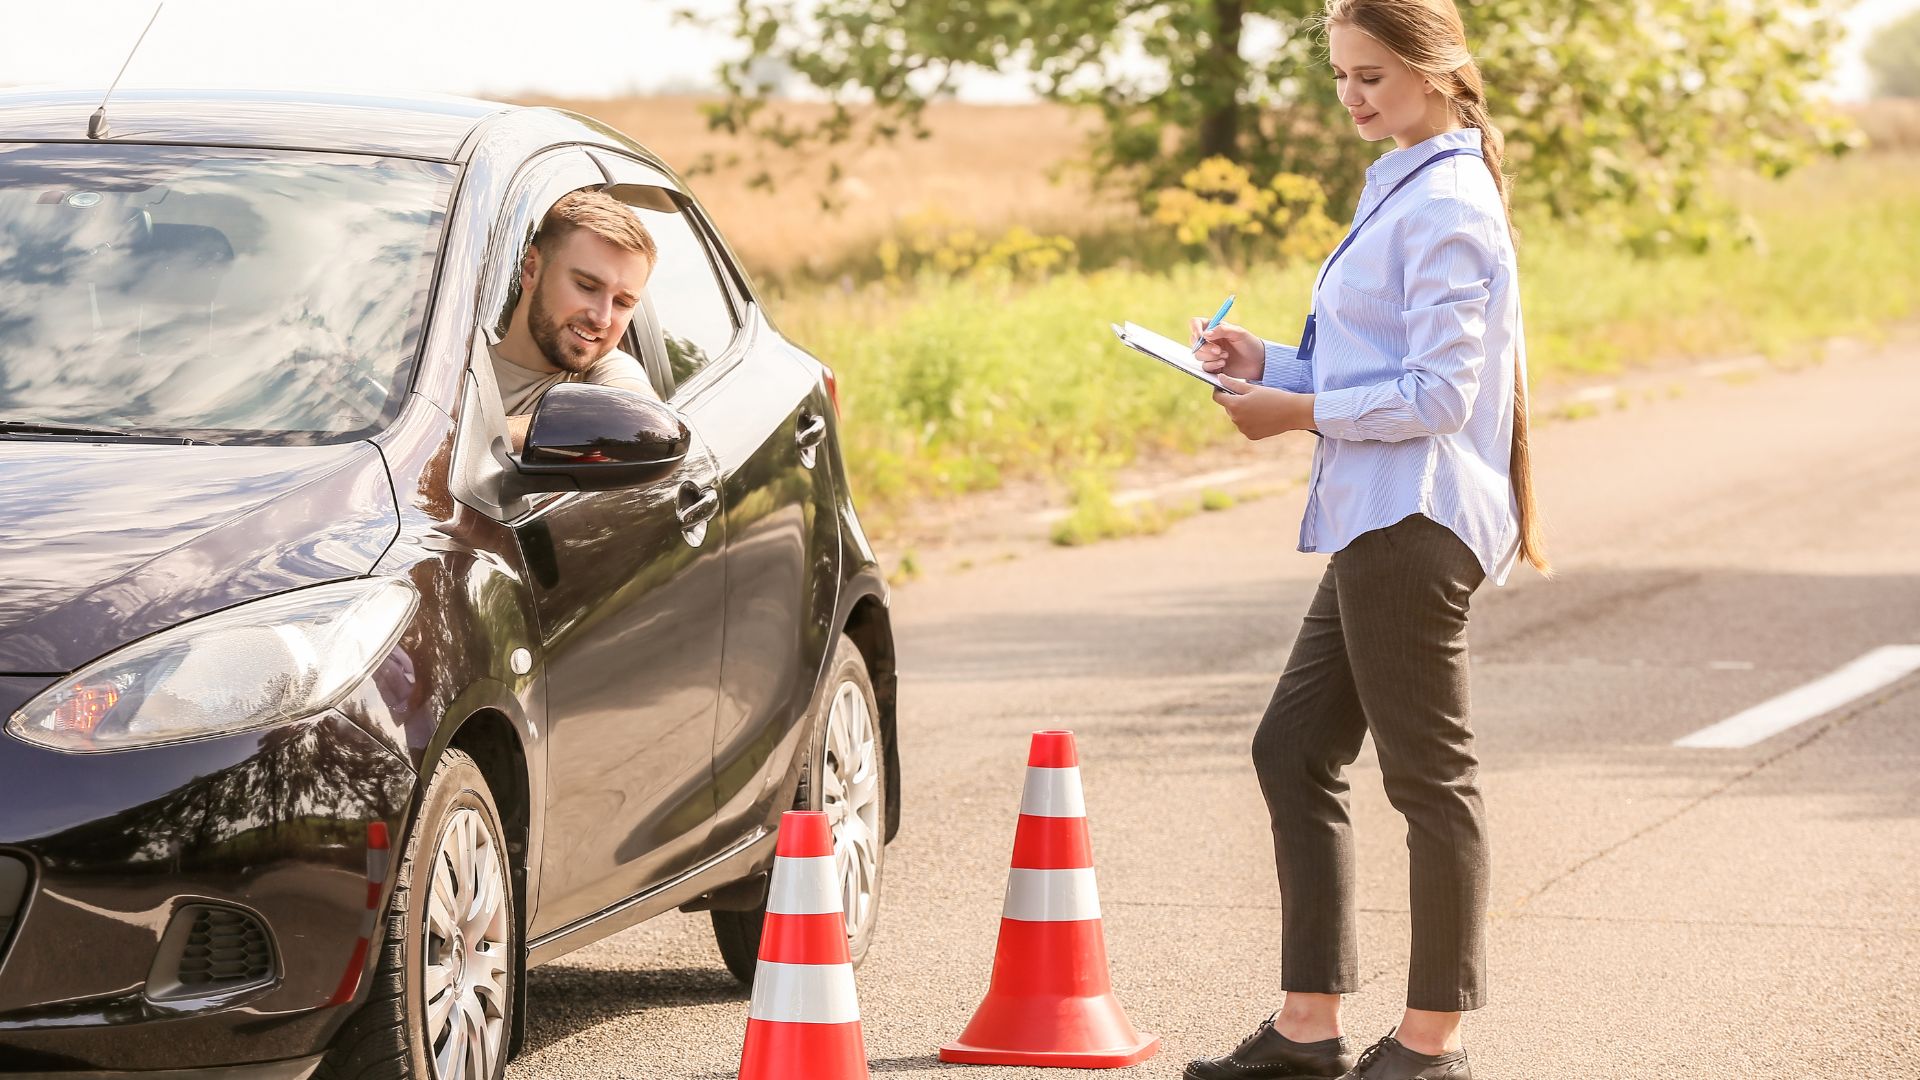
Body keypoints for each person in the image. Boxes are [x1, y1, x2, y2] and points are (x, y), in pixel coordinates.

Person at [1180, 2, 1548, 1079]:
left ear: (1436, 72)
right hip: (1377, 514)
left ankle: (1433, 1043)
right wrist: (1272, 365)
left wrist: (1296, 413)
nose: (1352, 96)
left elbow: (1436, 395)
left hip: (1415, 518)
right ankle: (1308, 1027)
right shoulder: (1400, 178)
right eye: (1341, 75)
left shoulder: (1449, 203)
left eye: (1373, 77)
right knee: (1292, 748)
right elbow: (1375, 367)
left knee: (1430, 779)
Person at [491, 188, 661, 451]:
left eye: (623, 303)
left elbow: (638, 420)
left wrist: (467, 442)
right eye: (586, 286)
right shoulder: (442, 360)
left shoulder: (605, 371)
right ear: (531, 269)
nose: (602, 319)